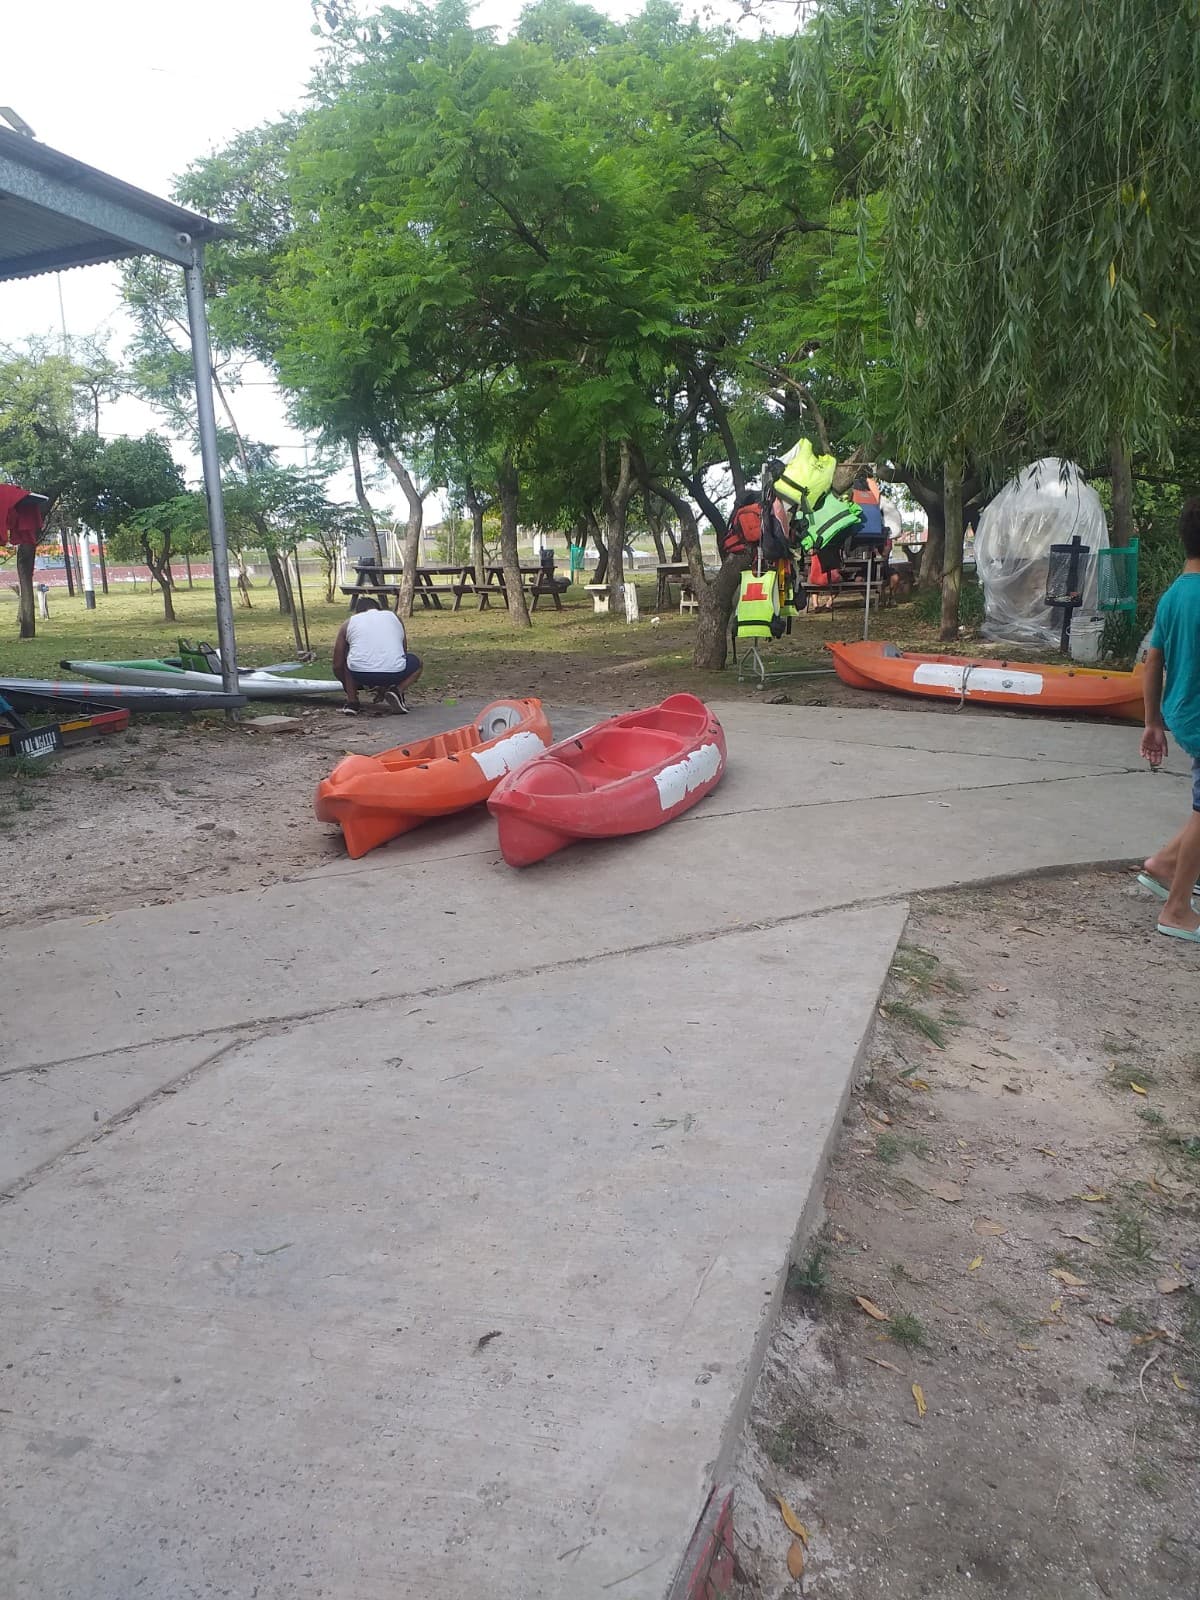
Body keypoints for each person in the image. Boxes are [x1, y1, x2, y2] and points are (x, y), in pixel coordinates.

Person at [1140, 497, 1200, 942]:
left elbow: (1153, 661)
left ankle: (1162, 865)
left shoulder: (1174, 594)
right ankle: (1177, 909)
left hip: (1183, 715)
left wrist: (1152, 721)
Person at [332, 596, 423, 715]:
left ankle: (352, 702)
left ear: (357, 612)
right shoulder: (395, 618)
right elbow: (402, 652)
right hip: (395, 673)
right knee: (418, 662)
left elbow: (337, 665)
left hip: (359, 673)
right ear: (379, 609)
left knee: (349, 659)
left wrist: (346, 684)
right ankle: (397, 690)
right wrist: (385, 684)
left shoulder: (348, 623)